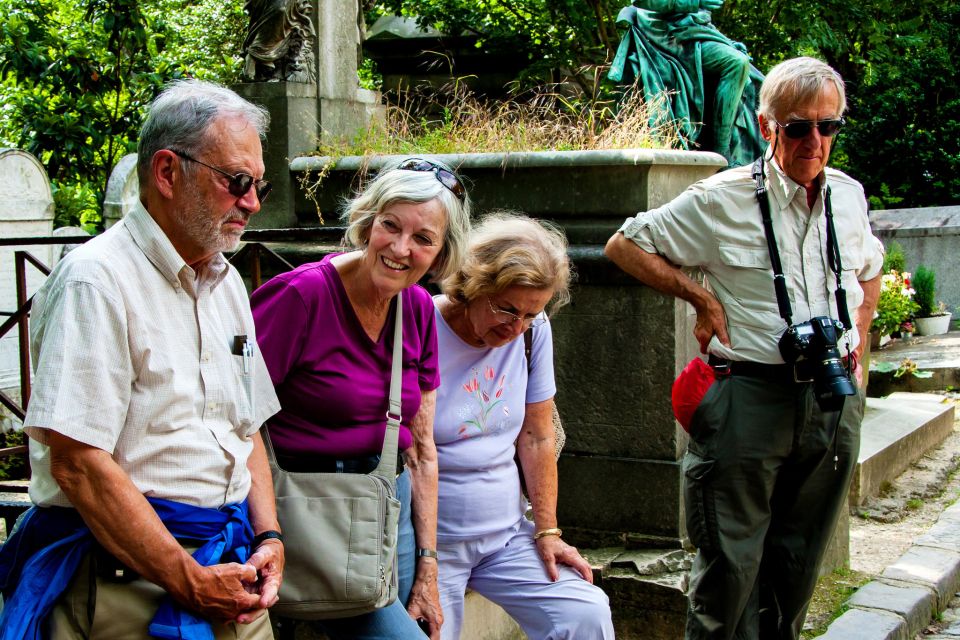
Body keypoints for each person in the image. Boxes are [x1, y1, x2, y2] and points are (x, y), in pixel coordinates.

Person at [605, 57, 884, 639]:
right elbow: (625, 245)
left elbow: (871, 270)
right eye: (798, 127)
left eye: (828, 126)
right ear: (766, 126)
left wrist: (860, 346)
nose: (815, 140)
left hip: (831, 401)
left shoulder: (849, 198)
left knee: (797, 564)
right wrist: (701, 300)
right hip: (748, 397)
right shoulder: (722, 200)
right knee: (729, 575)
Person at [0, 80, 284, 639]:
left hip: (233, 568)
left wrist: (269, 536)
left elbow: (245, 428)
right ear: (166, 172)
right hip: (129, 584)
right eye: (237, 181)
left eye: (258, 185)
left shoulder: (224, 280)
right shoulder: (96, 281)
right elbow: (77, 463)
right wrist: (188, 580)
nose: (251, 202)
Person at [250, 158, 472, 639]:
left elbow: (422, 447)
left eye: (423, 239)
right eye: (389, 226)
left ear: (441, 254)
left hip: (390, 508)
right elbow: (234, 421)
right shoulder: (299, 298)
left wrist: (430, 565)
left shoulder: (415, 308)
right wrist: (266, 532)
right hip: (313, 515)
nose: (400, 248)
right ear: (367, 222)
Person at [432, 213, 615, 640]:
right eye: (506, 308)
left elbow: (537, 434)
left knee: (584, 613)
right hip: (433, 544)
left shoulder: (533, 333)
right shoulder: (422, 325)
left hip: (506, 536)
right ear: (474, 284)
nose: (515, 328)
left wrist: (548, 531)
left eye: (531, 313)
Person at [608, 0, 765, 166]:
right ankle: (722, 153)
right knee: (736, 63)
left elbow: (699, 18)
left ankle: (754, 156)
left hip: (691, 32)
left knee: (758, 80)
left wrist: (725, 42)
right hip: (663, 34)